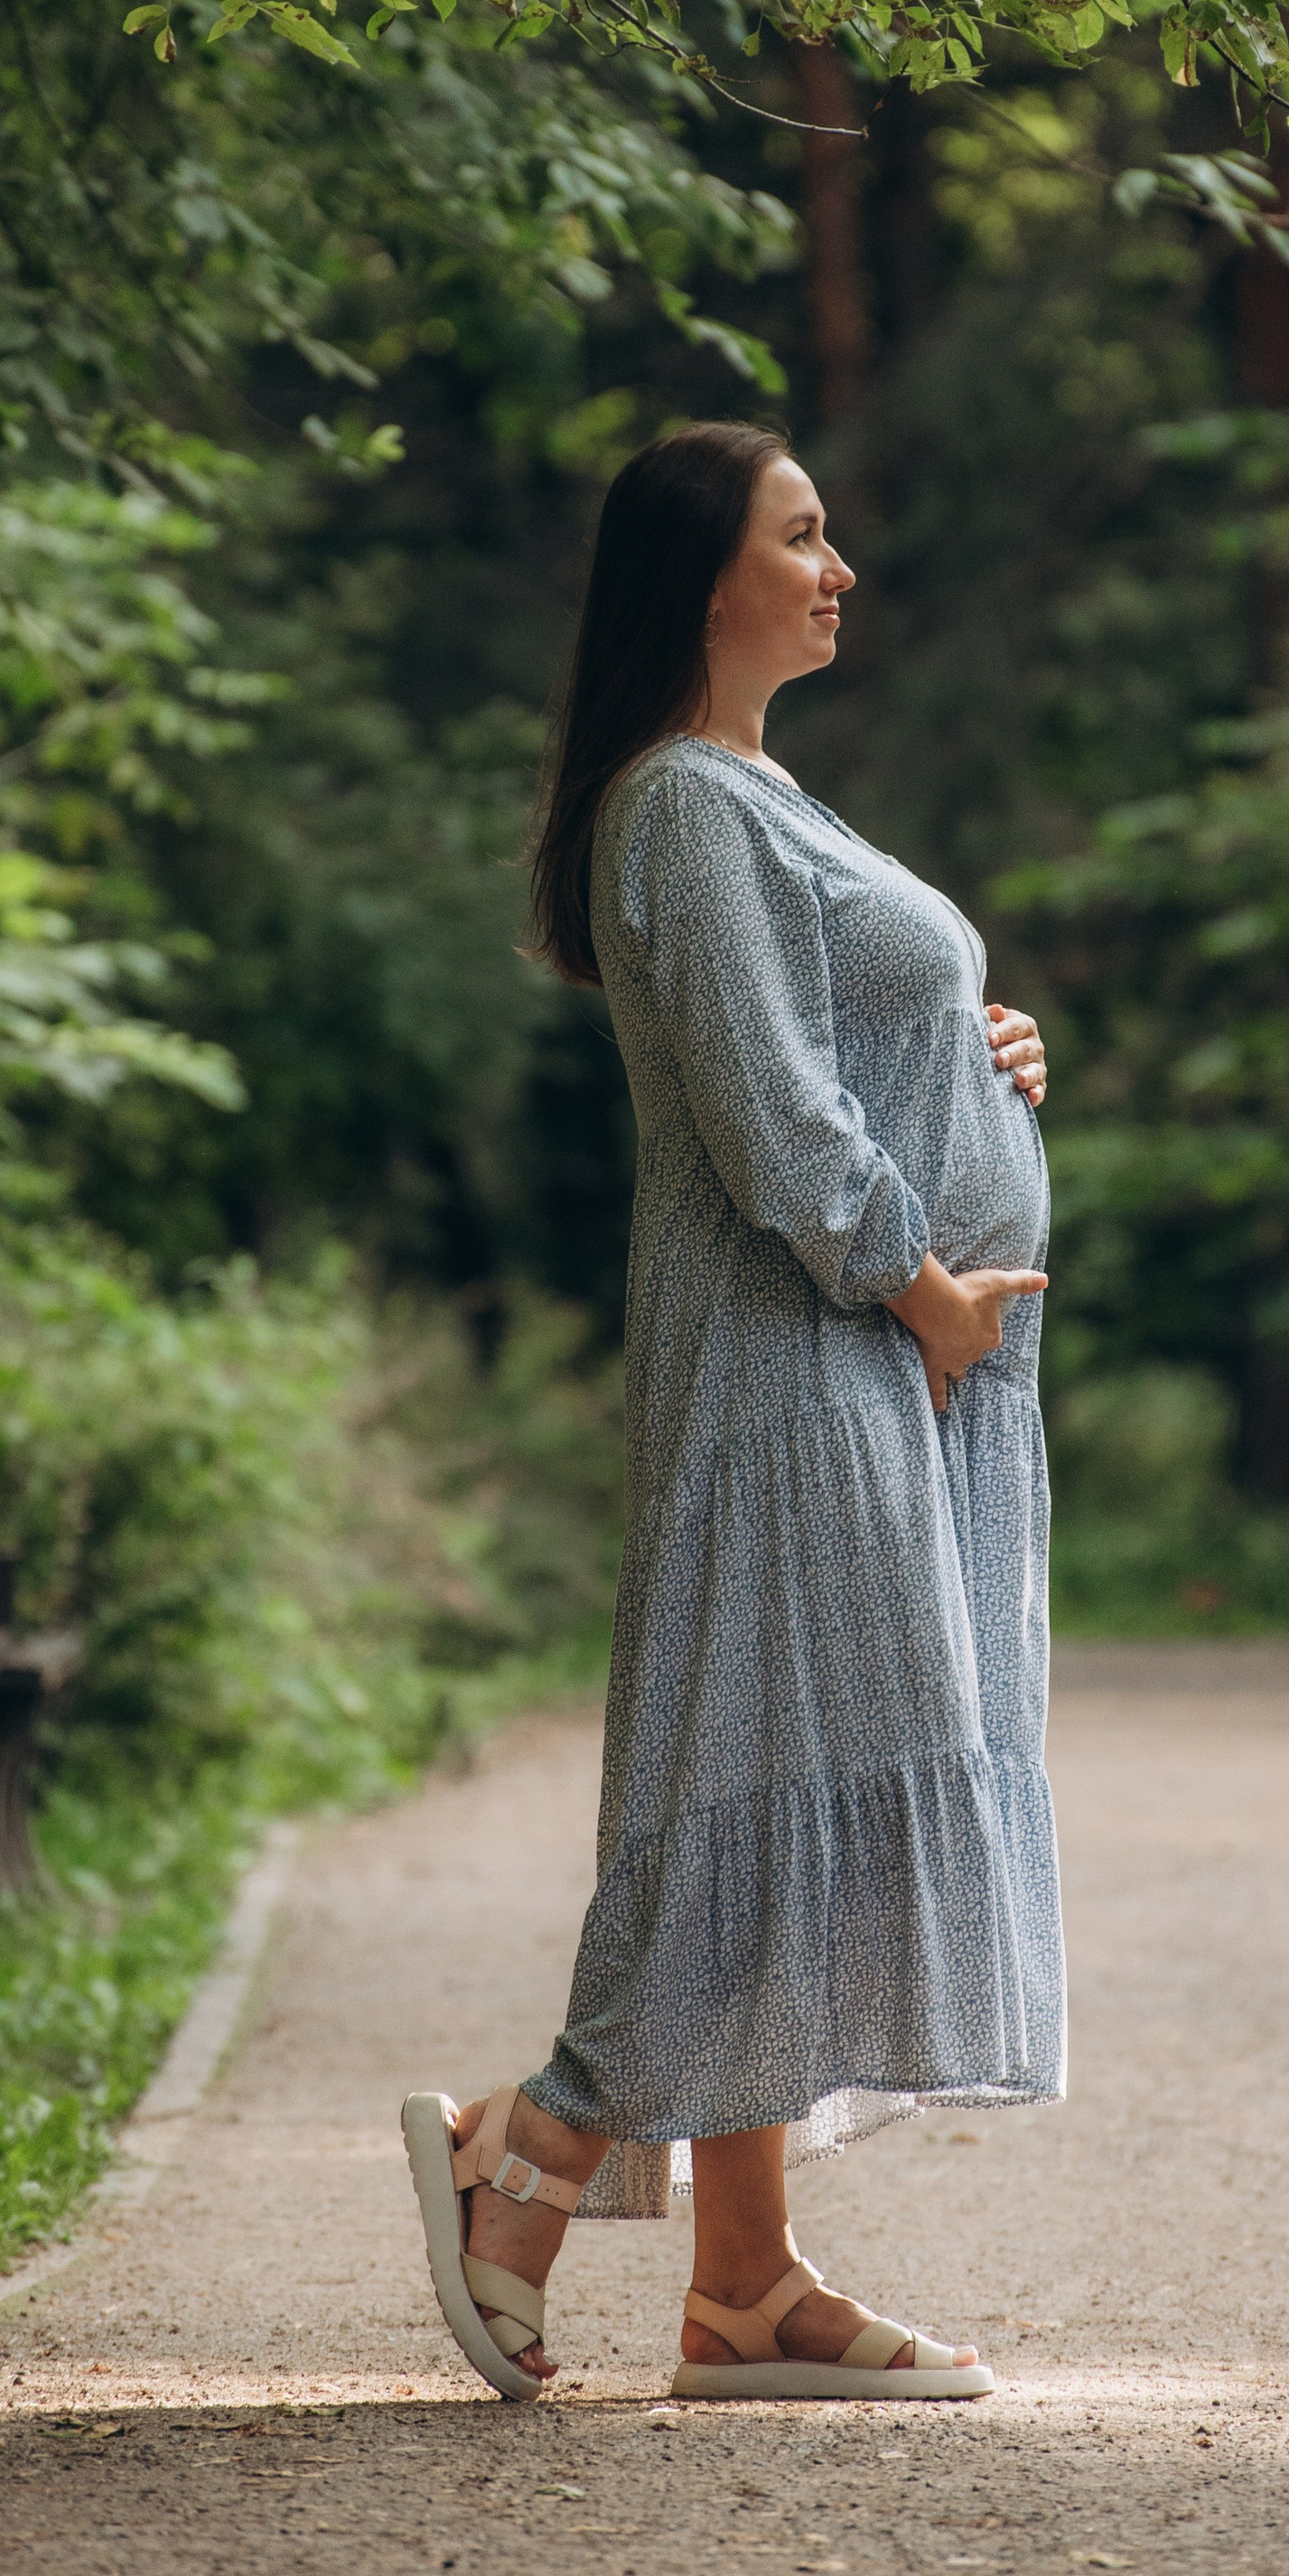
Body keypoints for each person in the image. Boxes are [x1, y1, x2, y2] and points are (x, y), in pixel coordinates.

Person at [403, 419, 1063, 2403]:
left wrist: (978, 1046)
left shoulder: (761, 796)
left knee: (797, 1789)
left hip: (869, 1355)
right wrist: (922, 1283)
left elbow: (847, 1034)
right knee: (754, 1779)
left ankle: (746, 2285)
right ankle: (534, 2149)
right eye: (803, 533)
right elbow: (774, 1115)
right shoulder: (680, 805)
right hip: (805, 1353)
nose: (838, 560)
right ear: (706, 580)